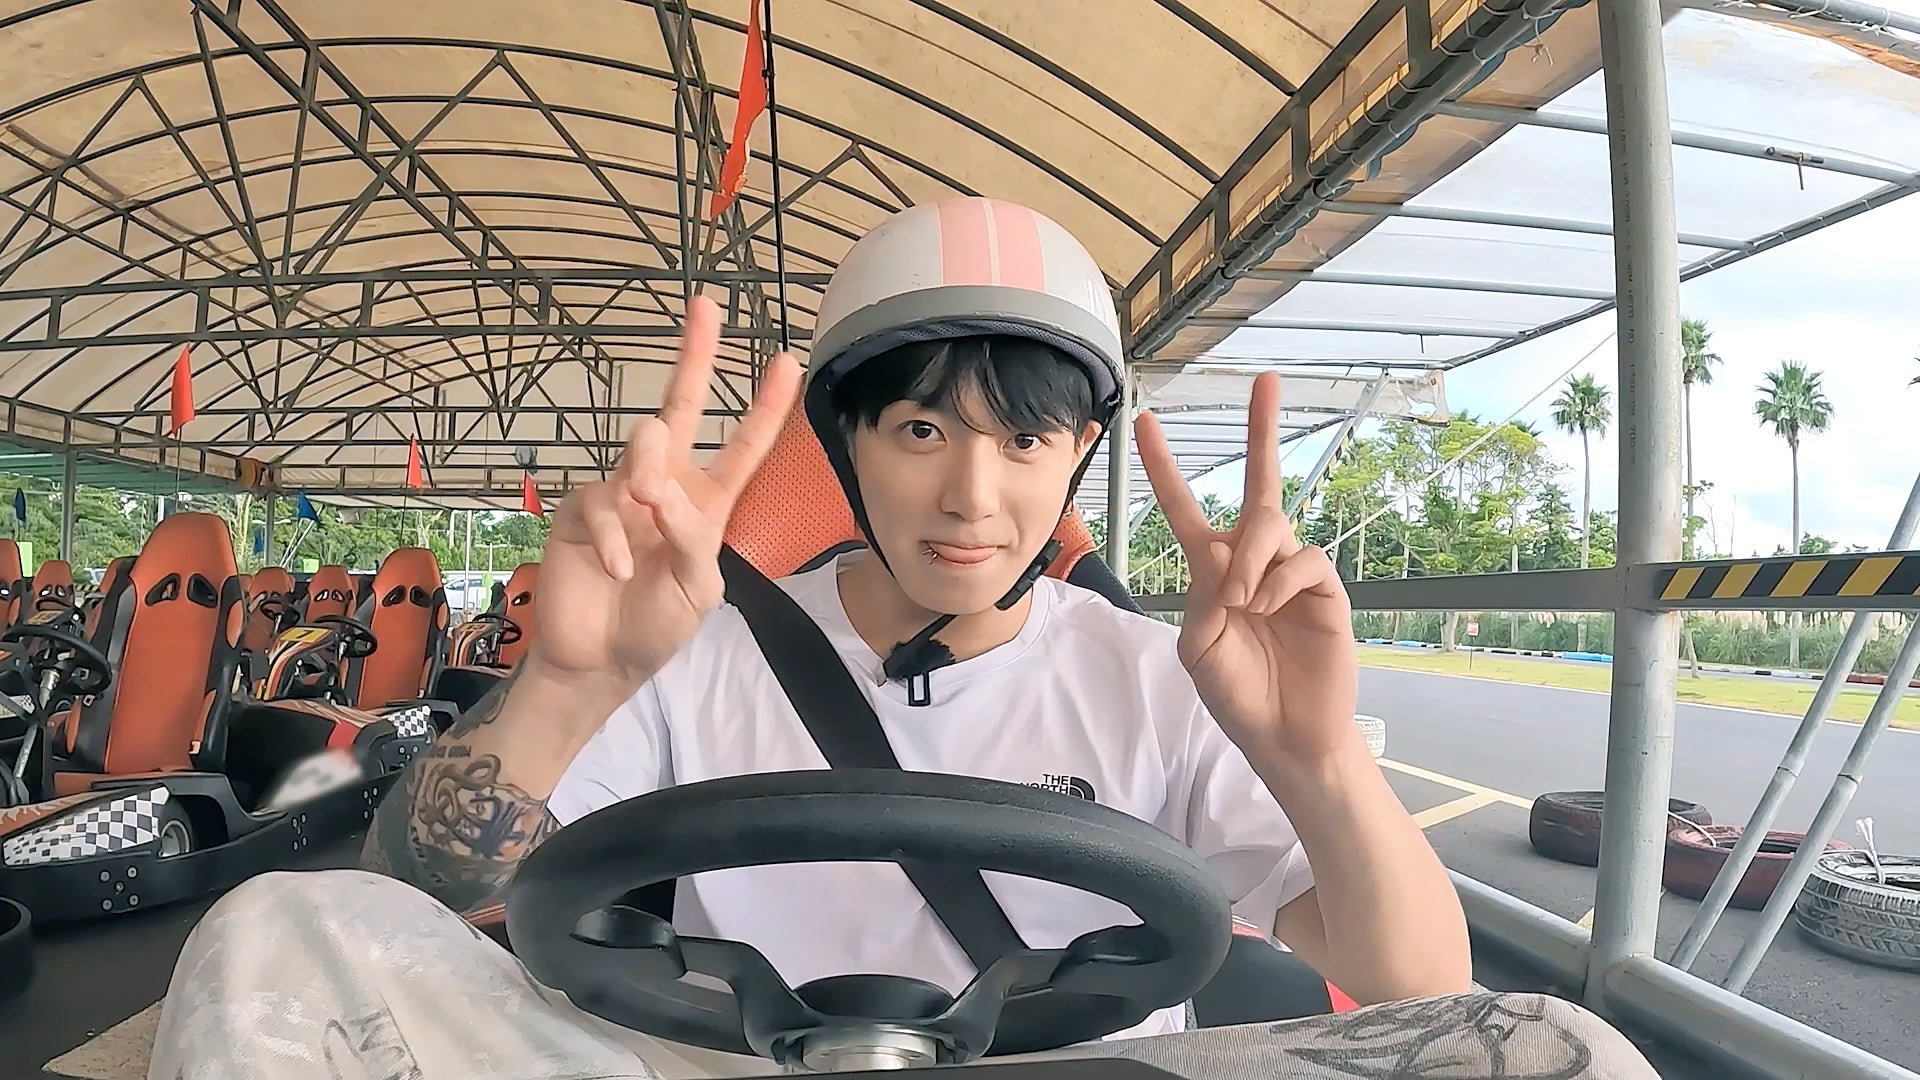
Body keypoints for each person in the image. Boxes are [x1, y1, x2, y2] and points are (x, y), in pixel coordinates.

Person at [149, 198, 1657, 1080]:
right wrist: (567, 681)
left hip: (1088, 1071)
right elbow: (413, 893)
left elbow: (1414, 989)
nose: (972, 498)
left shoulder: (1159, 676)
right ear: (849, 442)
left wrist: (1317, 757)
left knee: (1557, 1049)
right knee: (271, 928)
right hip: (725, 1063)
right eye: (923, 428)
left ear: (1080, 456)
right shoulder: (702, 651)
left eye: (1025, 440)